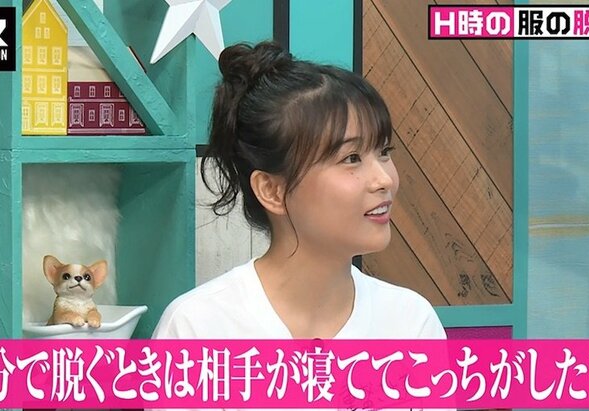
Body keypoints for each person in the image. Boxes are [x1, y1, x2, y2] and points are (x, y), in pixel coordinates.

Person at [151, 41, 447, 409]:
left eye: (384, 152)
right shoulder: (197, 329)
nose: (384, 179)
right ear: (272, 190)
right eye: (352, 158)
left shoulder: (411, 324)